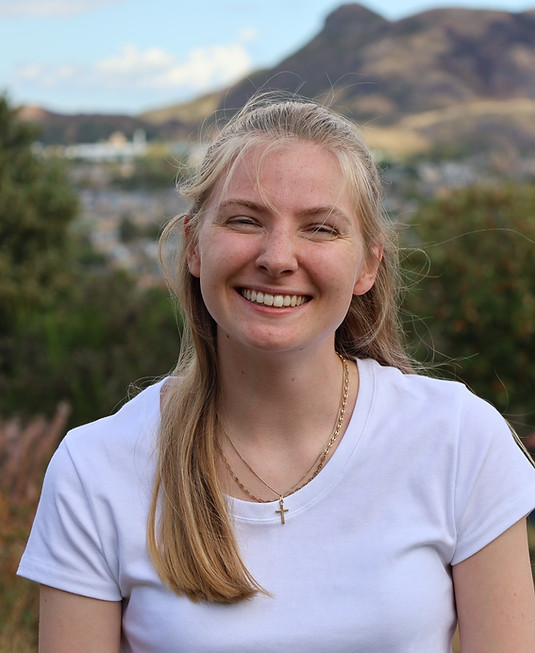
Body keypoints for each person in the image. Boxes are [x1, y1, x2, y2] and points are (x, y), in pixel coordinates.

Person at [18, 94, 535, 652]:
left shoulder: (460, 440)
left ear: (367, 265)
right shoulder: (94, 470)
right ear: (193, 247)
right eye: (244, 220)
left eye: (320, 229)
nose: (278, 256)